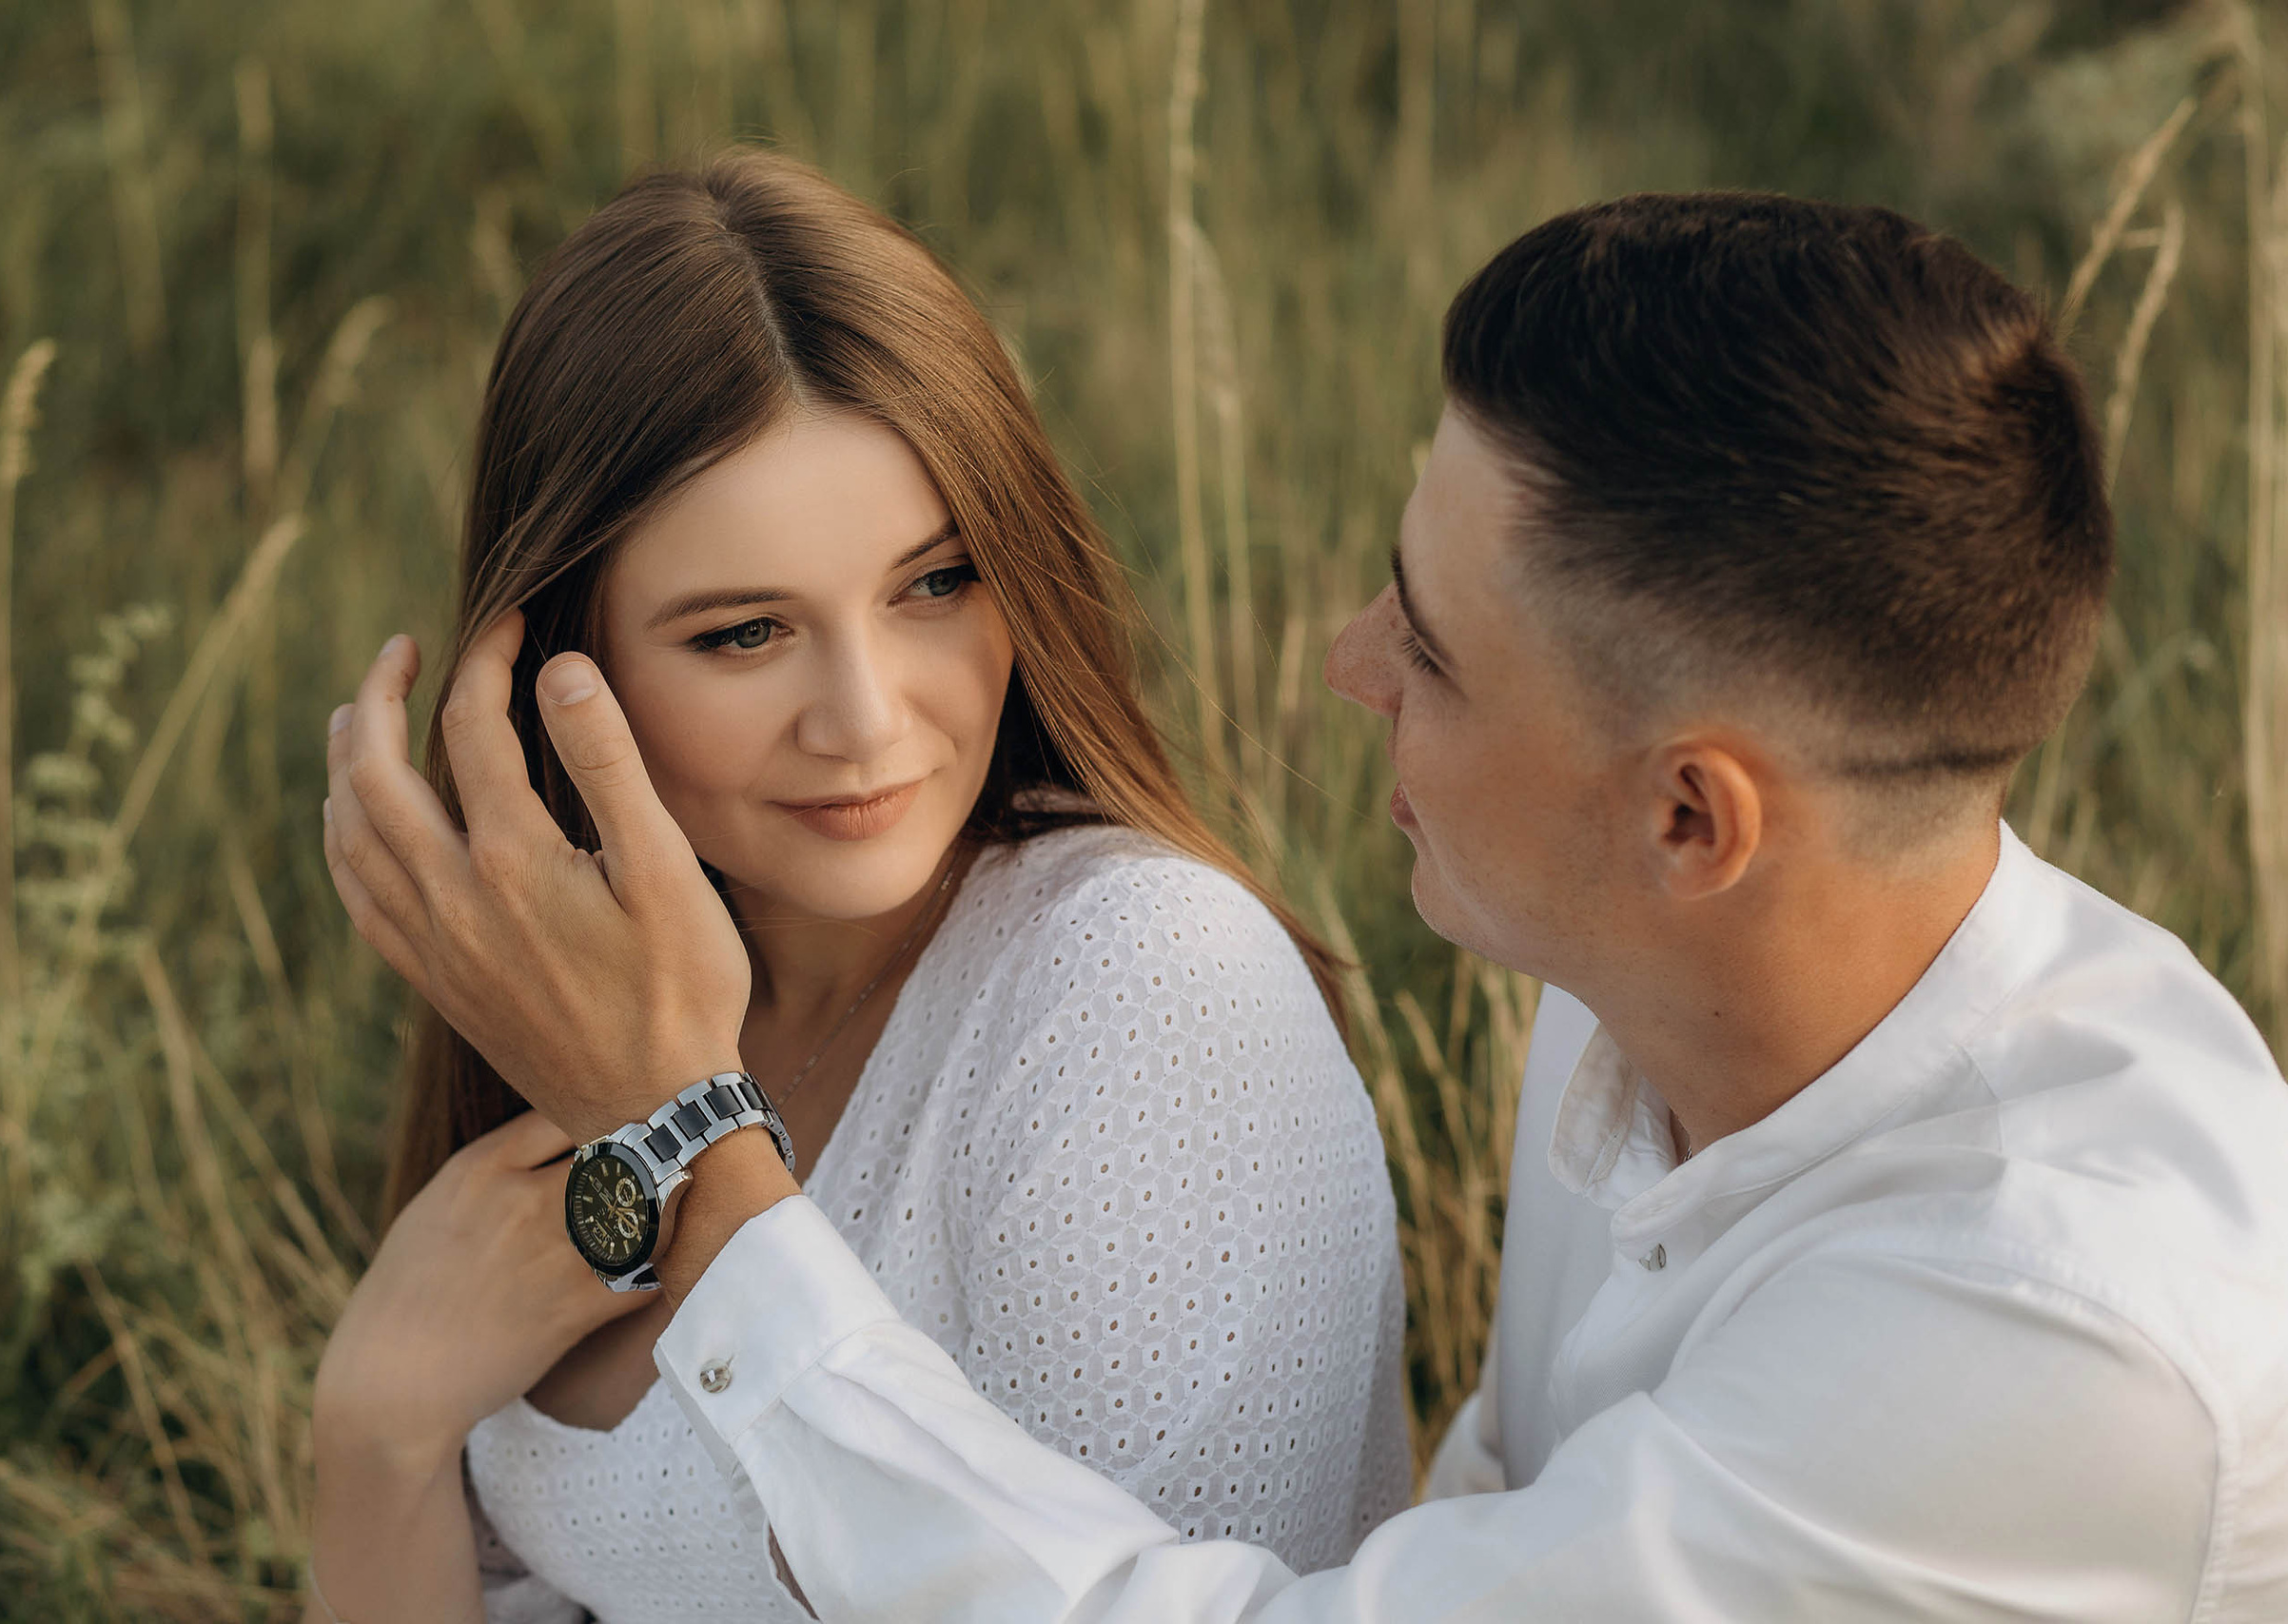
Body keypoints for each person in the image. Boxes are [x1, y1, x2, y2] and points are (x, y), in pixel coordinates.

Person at [323, 191, 2288, 1620]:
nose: (1346, 659)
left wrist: (695, 1145)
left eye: (1428, 651)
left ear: (1690, 822)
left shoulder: (2037, 1335)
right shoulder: (1627, 1016)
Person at [303, 151, 1409, 1624]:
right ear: (562, 663)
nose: (869, 719)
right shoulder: (585, 983)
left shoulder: (1144, 993)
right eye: (746, 633)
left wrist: (671, 1127)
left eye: (935, 583)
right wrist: (373, 1435)